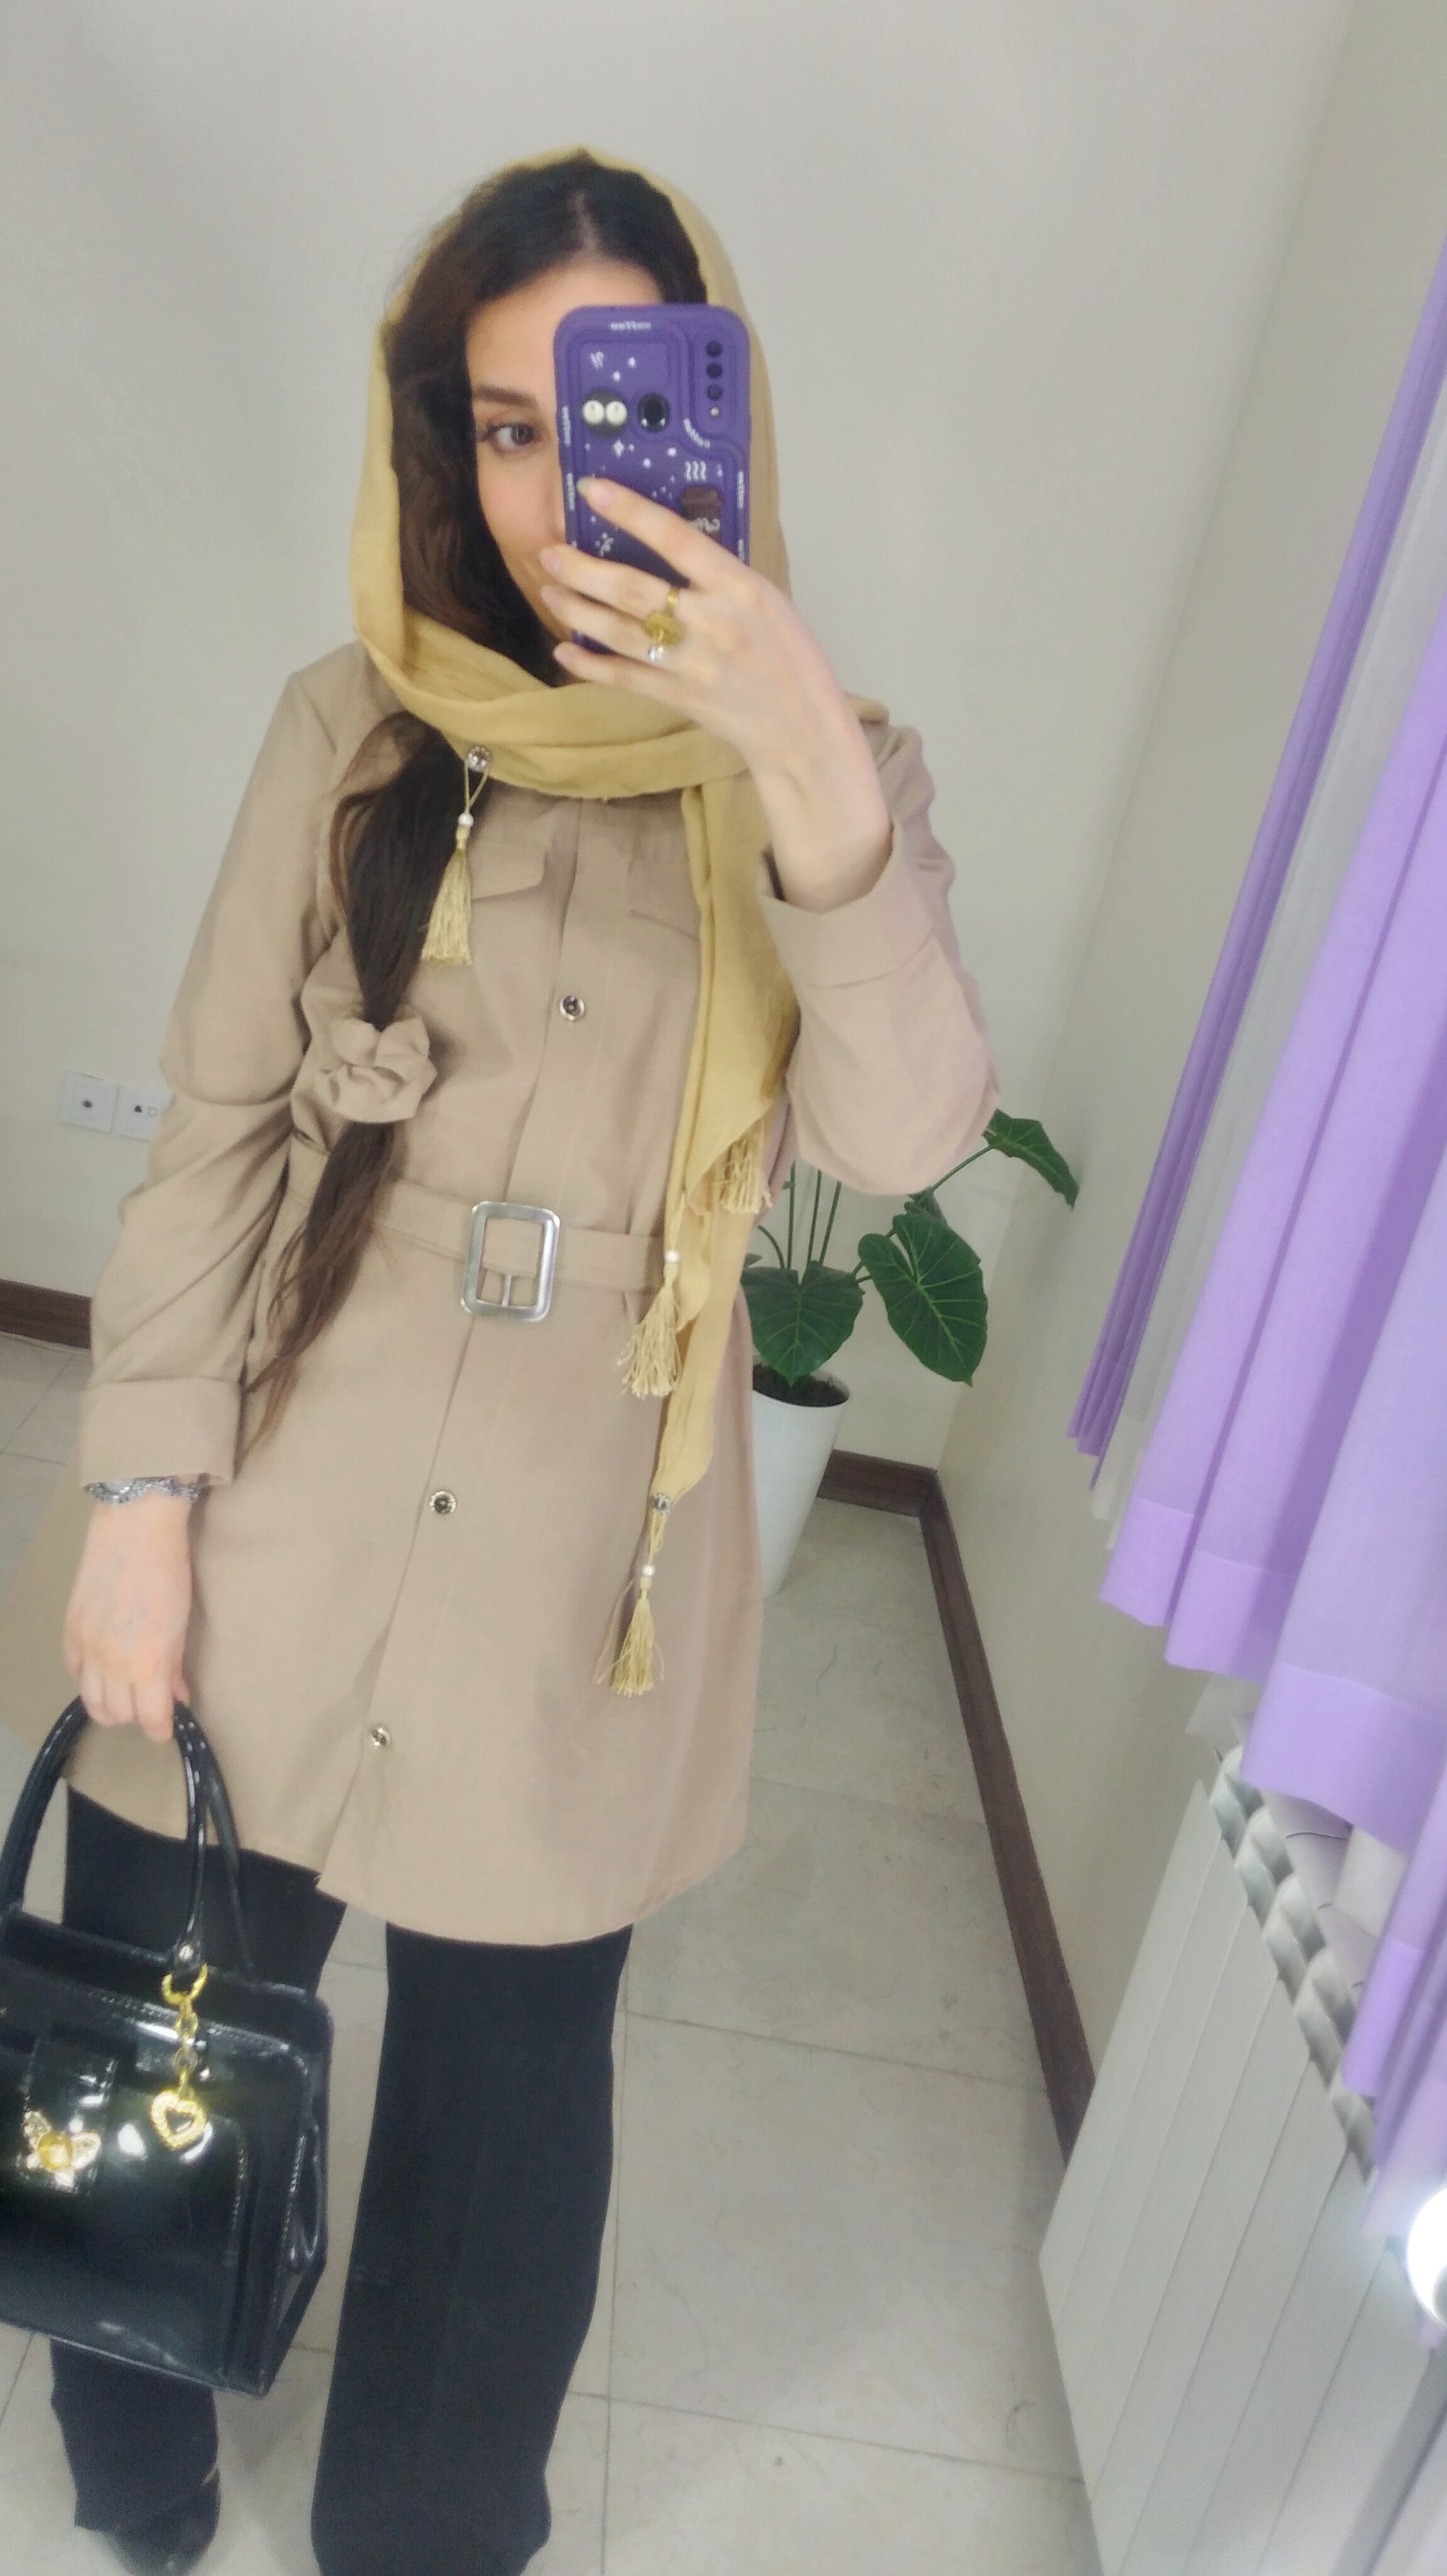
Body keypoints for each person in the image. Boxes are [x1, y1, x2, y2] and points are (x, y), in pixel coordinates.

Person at [0, 147, 996, 2576]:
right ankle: (137, 2478)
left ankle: (424, 2538)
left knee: (507, 2115)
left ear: (720, 419)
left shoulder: (830, 776)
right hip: (285, 1491)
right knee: (151, 2034)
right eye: (506, 428)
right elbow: (220, 1131)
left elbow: (902, 1135)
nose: (561, 494)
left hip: (585, 1561)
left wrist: (799, 751)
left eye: (615, 417)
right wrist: (137, 1508)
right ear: (441, 444)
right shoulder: (350, 722)